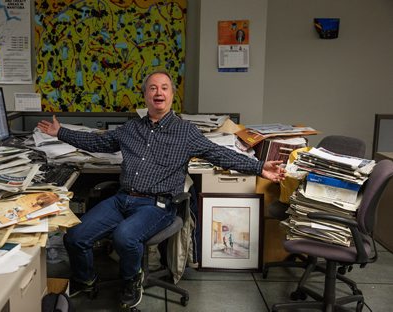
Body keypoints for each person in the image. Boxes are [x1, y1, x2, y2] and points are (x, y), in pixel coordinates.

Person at [37, 70, 285, 309]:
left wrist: (260, 167)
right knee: (75, 236)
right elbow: (98, 142)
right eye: (153, 88)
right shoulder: (131, 128)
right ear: (145, 95)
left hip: (158, 205)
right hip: (123, 199)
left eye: (164, 88)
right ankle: (87, 279)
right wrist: (61, 132)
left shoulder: (186, 132)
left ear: (171, 95)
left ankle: (132, 280)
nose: (159, 92)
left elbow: (219, 154)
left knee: (125, 236)